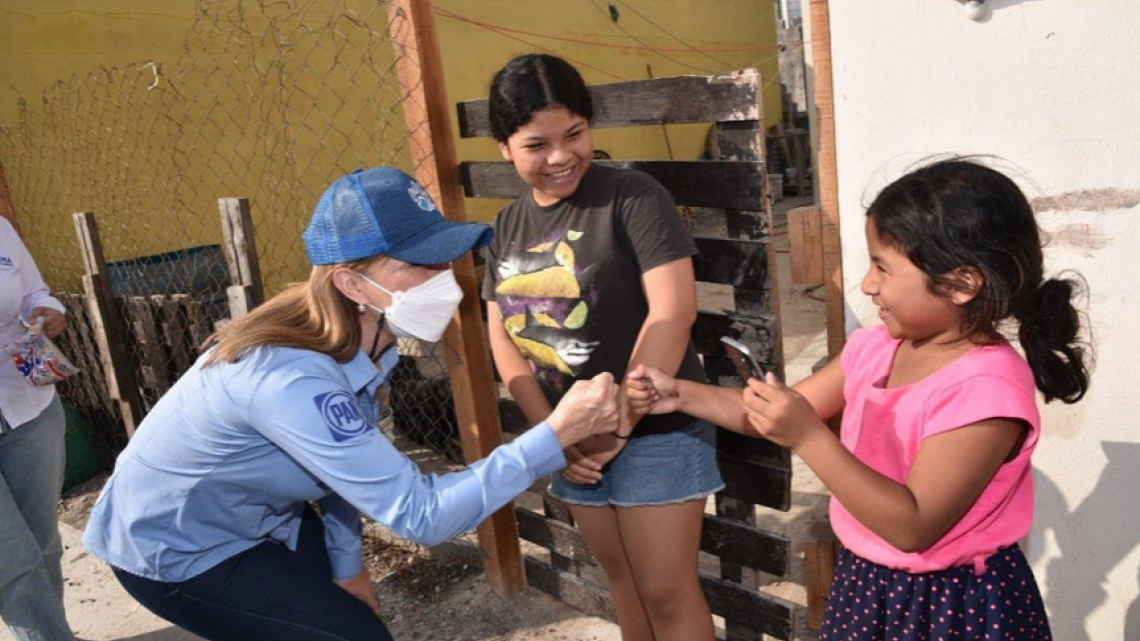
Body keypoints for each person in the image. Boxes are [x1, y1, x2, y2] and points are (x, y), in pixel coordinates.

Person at [82, 166, 622, 641]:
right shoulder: (292, 378)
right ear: (352, 284)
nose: (444, 279)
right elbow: (422, 514)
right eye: (419, 265)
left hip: (255, 516)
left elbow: (341, 471)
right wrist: (557, 434)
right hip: (174, 549)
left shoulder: (359, 342)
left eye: (445, 259)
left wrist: (348, 566)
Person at [628, 158, 1091, 641]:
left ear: (960, 283)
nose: (868, 284)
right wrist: (680, 392)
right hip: (867, 585)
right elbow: (770, 414)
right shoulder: (876, 347)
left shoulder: (987, 389)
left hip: (952, 606)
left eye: (883, 268)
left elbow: (913, 527)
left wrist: (808, 436)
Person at [481, 54, 721, 641]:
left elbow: (673, 312)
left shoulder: (632, 196)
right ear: (504, 149)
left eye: (575, 134)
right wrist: (556, 438)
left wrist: (615, 428)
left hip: (654, 430)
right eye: (536, 144)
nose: (561, 156)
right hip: (571, 445)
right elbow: (504, 343)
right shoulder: (506, 227)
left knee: (667, 591)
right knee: (622, 582)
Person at [0, 217, 76, 641]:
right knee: (13, 562)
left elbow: (32, 291)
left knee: (43, 542)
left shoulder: (1, 229)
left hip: (29, 405)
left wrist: (48, 311)